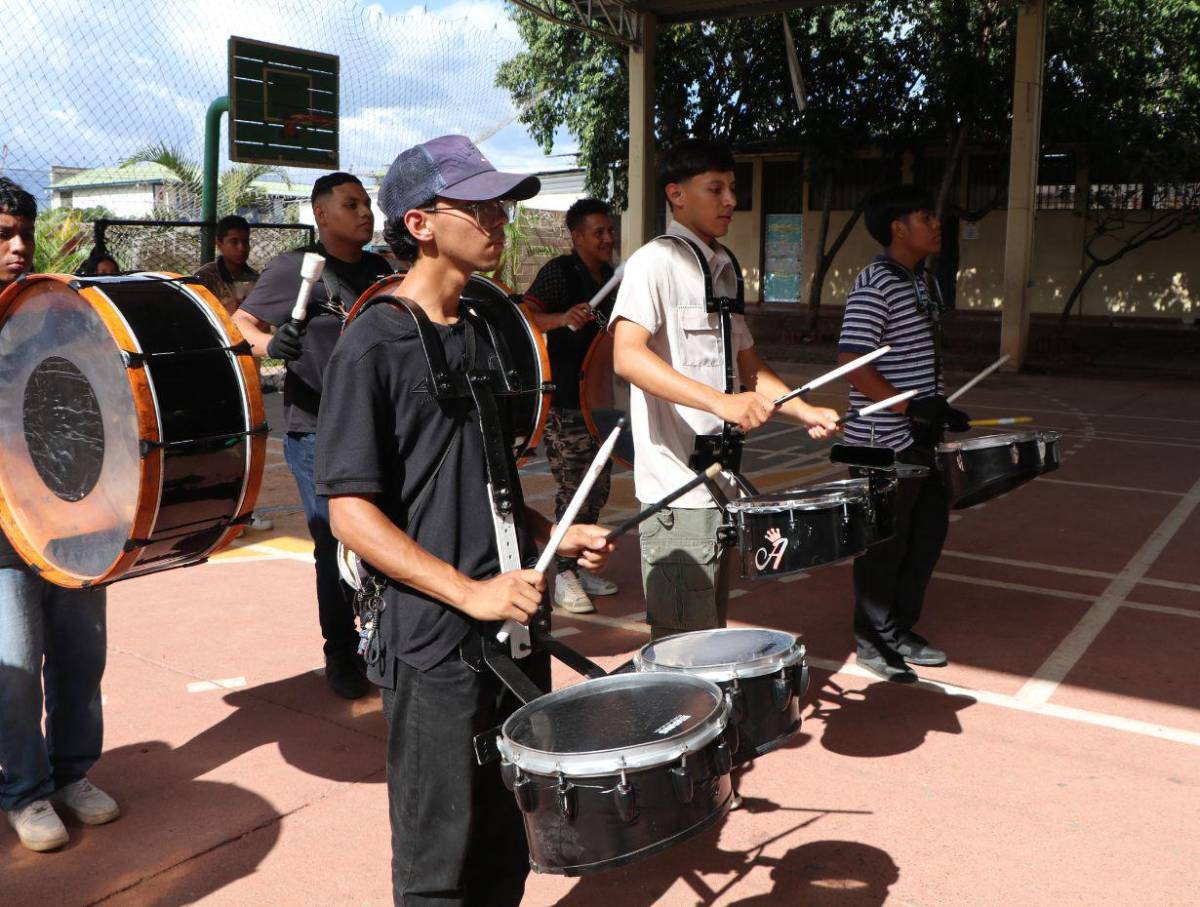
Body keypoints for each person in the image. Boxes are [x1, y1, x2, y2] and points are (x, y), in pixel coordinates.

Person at [315, 134, 614, 907]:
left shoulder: (481, 328)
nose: (499, 219)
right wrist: (470, 591)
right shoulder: (372, 341)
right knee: (436, 858)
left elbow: (485, 478)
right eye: (477, 205)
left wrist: (550, 533)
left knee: (505, 841)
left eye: (501, 205)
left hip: (510, 624)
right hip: (434, 638)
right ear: (420, 223)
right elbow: (349, 511)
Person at [610, 139, 840, 642]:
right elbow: (627, 356)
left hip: (723, 482)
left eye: (732, 188)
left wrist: (803, 411)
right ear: (676, 194)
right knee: (681, 648)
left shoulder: (723, 268)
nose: (730, 200)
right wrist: (721, 403)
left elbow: (748, 365)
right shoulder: (654, 263)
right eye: (715, 189)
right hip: (676, 491)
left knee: (707, 635)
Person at [233, 173, 392, 699]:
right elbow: (239, 326)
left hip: (374, 425)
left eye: (367, 203)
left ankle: (384, 641)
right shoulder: (291, 269)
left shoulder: (380, 270)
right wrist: (271, 345)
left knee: (385, 536)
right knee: (334, 542)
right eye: (351, 204)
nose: (365, 212)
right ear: (321, 214)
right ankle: (340, 653)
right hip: (315, 431)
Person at [0, 177, 119, 852]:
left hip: (73, 512)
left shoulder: (53, 306)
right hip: (3, 529)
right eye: (2, 235)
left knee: (81, 656)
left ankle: (73, 771)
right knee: (13, 664)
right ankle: (24, 787)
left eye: (23, 233)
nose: (18, 247)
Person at [836, 184, 970, 683]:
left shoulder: (923, 282)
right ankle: (872, 641)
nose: (937, 224)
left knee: (925, 536)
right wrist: (913, 407)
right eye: (924, 216)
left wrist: (939, 408)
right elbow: (853, 362)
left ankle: (898, 630)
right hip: (880, 443)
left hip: (920, 436)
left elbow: (915, 358)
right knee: (884, 544)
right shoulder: (876, 282)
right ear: (898, 227)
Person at [523, 198, 619, 614]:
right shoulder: (559, 274)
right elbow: (526, 318)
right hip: (564, 400)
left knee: (598, 485)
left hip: (601, 399)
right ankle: (561, 571)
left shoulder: (613, 279)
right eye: (597, 232)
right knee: (574, 486)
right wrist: (562, 319)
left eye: (609, 231)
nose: (607, 238)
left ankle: (578, 564)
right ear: (576, 236)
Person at [194, 214, 260, 317]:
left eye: (245, 242)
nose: (242, 248)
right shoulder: (205, 278)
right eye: (234, 242)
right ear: (219, 245)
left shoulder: (255, 278)